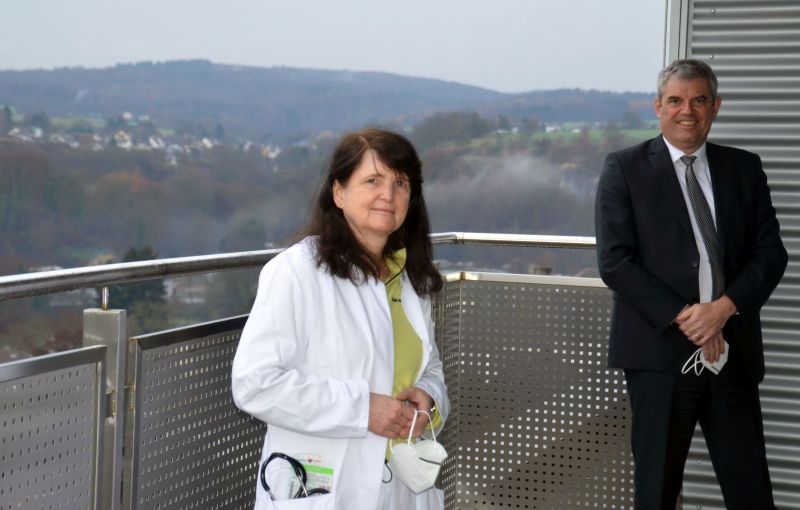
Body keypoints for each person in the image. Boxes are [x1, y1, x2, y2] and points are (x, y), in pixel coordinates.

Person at [595, 59, 787, 509]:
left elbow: (771, 253)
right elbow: (614, 261)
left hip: (731, 355)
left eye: (699, 100)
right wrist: (689, 317)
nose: (688, 111)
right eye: (676, 101)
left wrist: (722, 310)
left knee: (752, 493)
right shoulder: (624, 168)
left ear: (715, 106)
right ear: (658, 107)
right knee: (657, 493)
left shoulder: (744, 168)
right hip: (659, 360)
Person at [232, 128, 450, 510]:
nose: (388, 194)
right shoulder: (296, 272)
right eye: (372, 181)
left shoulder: (409, 276)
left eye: (401, 183)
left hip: (399, 486)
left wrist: (429, 399)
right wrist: (362, 409)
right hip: (320, 482)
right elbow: (255, 383)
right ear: (338, 193)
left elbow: (428, 364)